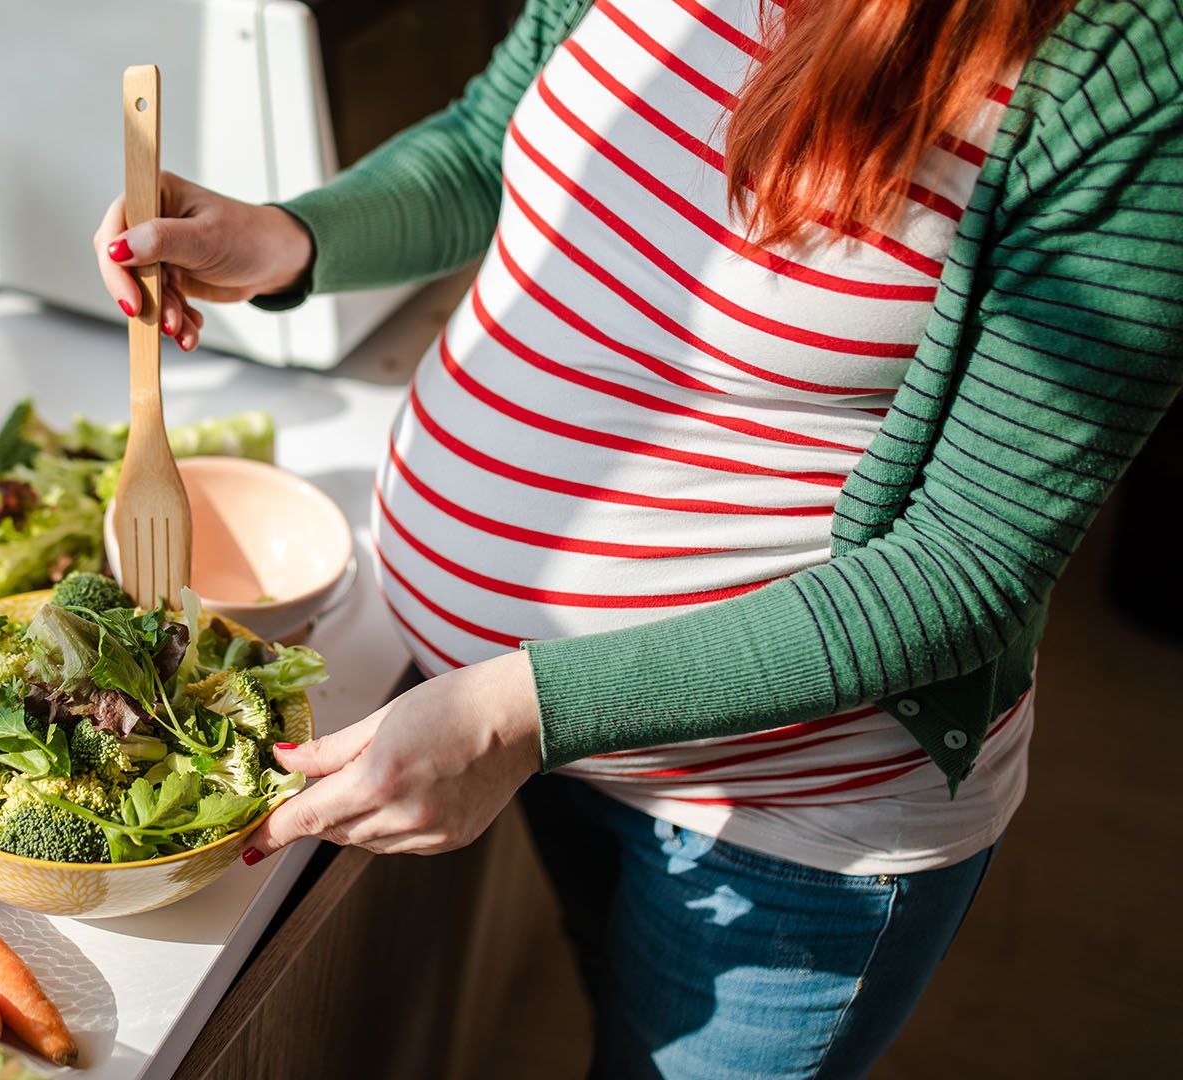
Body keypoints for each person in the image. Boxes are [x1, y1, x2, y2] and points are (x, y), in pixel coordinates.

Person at [94, 0, 1179, 1075]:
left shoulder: (1126, 58)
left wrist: (525, 712)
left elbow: (961, 575)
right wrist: (290, 238)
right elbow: (492, 145)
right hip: (529, 726)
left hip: (783, 814)